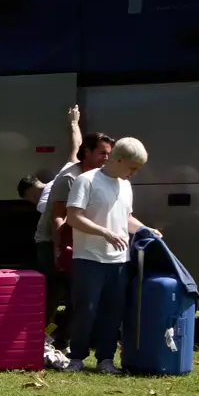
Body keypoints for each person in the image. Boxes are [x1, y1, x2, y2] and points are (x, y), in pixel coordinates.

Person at [65, 137, 161, 374]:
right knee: (85, 310)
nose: (134, 173)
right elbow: (74, 217)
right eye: (132, 167)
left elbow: (126, 219)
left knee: (113, 312)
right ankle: (76, 357)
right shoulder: (86, 181)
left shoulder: (125, 185)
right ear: (118, 159)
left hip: (118, 260)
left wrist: (146, 230)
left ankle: (105, 360)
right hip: (88, 257)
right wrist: (104, 232)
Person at [34, 121, 115, 350]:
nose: (107, 158)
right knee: (53, 295)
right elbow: (59, 218)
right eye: (102, 153)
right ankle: (41, 338)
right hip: (52, 241)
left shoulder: (98, 176)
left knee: (76, 297)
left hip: (75, 241)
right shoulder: (70, 178)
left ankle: (60, 339)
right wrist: (59, 251)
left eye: (109, 154)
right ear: (87, 152)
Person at [18, 106, 83, 213]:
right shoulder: (62, 175)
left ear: (30, 196)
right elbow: (76, 147)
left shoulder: (43, 204)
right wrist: (74, 122)